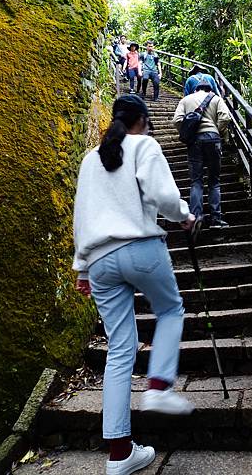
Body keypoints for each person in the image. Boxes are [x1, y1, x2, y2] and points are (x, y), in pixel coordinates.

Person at [73, 94, 195, 475]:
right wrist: (185, 216)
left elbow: (82, 214)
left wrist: (81, 270)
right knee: (171, 310)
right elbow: (165, 197)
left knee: (119, 349)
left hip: (100, 262)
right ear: (142, 120)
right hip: (141, 248)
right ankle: (158, 386)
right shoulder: (145, 144)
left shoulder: (90, 159)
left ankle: (119, 454)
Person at [172, 78, 231, 228]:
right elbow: (225, 117)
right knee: (214, 181)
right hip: (213, 139)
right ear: (209, 89)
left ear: (196, 89)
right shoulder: (216, 98)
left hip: (195, 142)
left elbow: (177, 120)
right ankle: (216, 219)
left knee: (196, 181)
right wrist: (217, 131)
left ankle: (197, 217)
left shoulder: (186, 100)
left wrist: (187, 133)